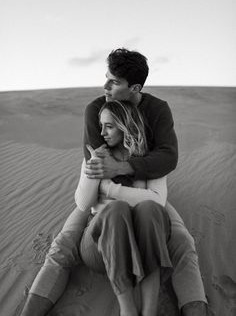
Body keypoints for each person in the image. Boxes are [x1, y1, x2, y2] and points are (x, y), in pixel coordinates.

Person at [20, 48, 207, 316]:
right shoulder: (97, 109)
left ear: (135, 87)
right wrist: (106, 181)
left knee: (184, 244)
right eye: (106, 77)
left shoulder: (156, 110)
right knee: (62, 246)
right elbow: (95, 163)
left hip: (144, 192)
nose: (105, 86)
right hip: (103, 199)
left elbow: (167, 157)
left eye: (114, 81)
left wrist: (121, 169)